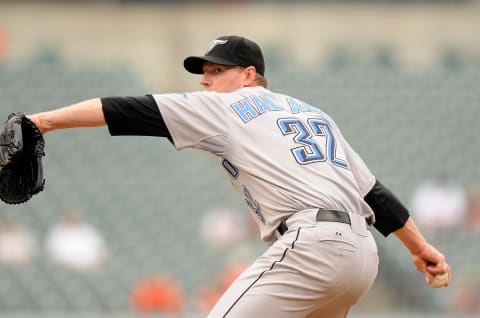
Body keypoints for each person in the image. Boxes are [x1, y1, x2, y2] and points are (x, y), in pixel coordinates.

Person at [25, 35, 451, 317]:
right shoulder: (316, 115)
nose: (207, 81)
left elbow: (122, 109)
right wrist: (421, 247)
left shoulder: (227, 107)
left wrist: (42, 121)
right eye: (204, 73)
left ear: (250, 75)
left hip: (313, 247)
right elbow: (374, 194)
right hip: (362, 258)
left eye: (217, 71)